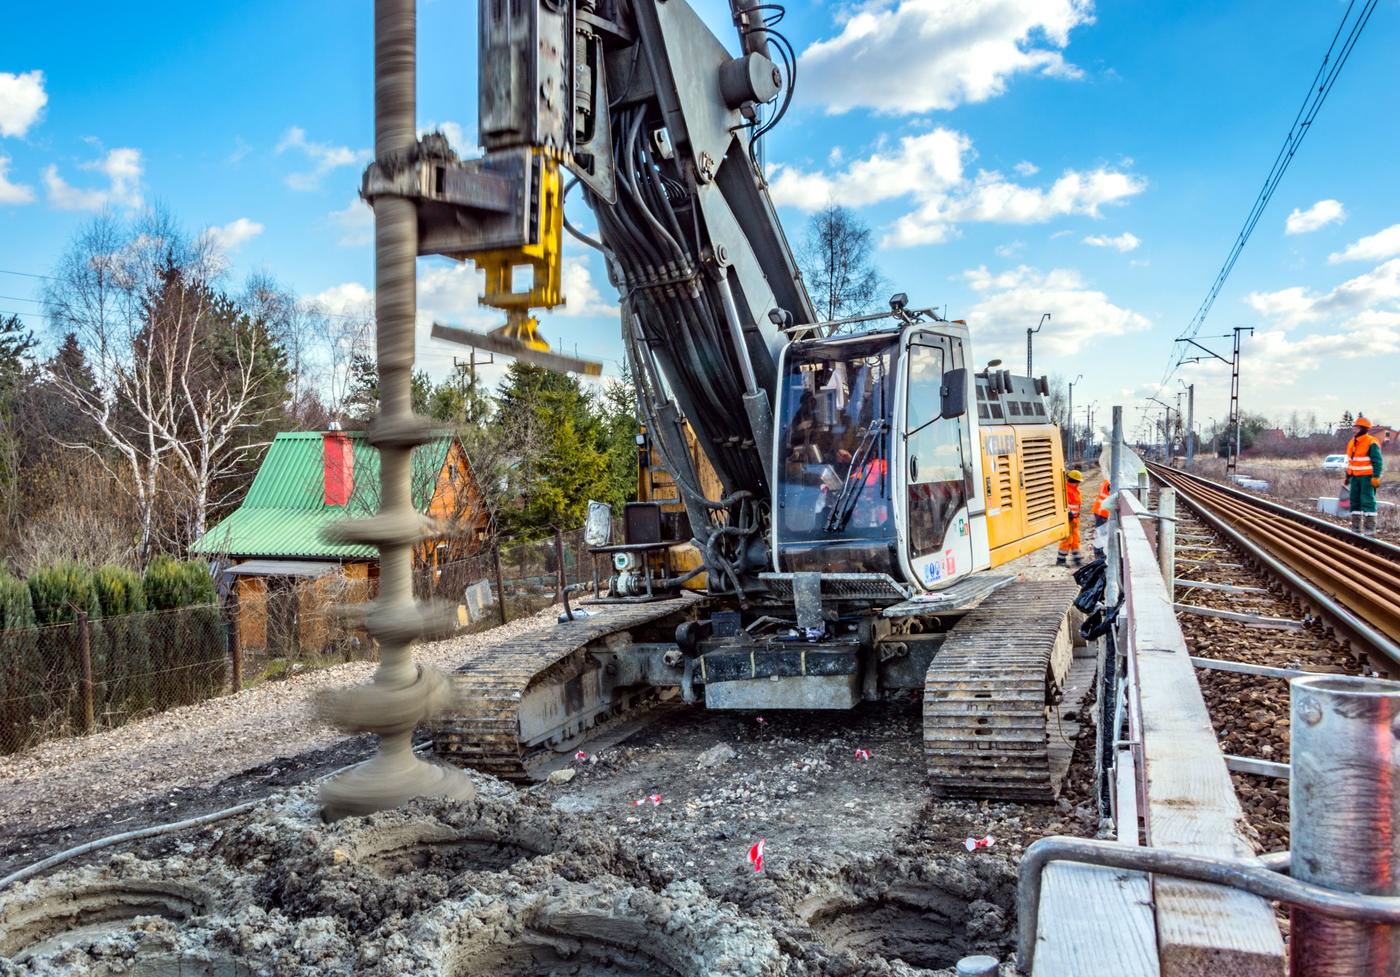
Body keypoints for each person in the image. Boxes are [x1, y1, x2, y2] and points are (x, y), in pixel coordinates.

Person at [1343, 416, 1384, 537]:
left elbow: (1377, 461)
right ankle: (1356, 529)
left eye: (1356, 427)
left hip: (1367, 478)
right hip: (1355, 478)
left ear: (1363, 429)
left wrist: (1376, 477)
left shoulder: (1371, 442)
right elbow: (1352, 462)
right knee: (1354, 502)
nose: (1354, 429)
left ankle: (1370, 530)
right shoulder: (1352, 442)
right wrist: (1347, 476)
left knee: (1367, 501)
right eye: (1354, 427)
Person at [1057, 469, 1084, 567]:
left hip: (1075, 519)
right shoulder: (1067, 490)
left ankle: (1077, 559)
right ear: (1074, 481)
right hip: (1068, 519)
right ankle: (1060, 560)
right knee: (1068, 539)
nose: (1079, 484)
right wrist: (1068, 513)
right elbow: (1064, 503)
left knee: (1075, 539)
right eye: (1078, 482)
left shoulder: (1075, 490)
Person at [1091, 478, 1112, 558]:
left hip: (1100, 510)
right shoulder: (1111, 483)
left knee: (1101, 532)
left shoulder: (1108, 480)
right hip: (1102, 512)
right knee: (1101, 533)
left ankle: (1099, 552)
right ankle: (1098, 553)